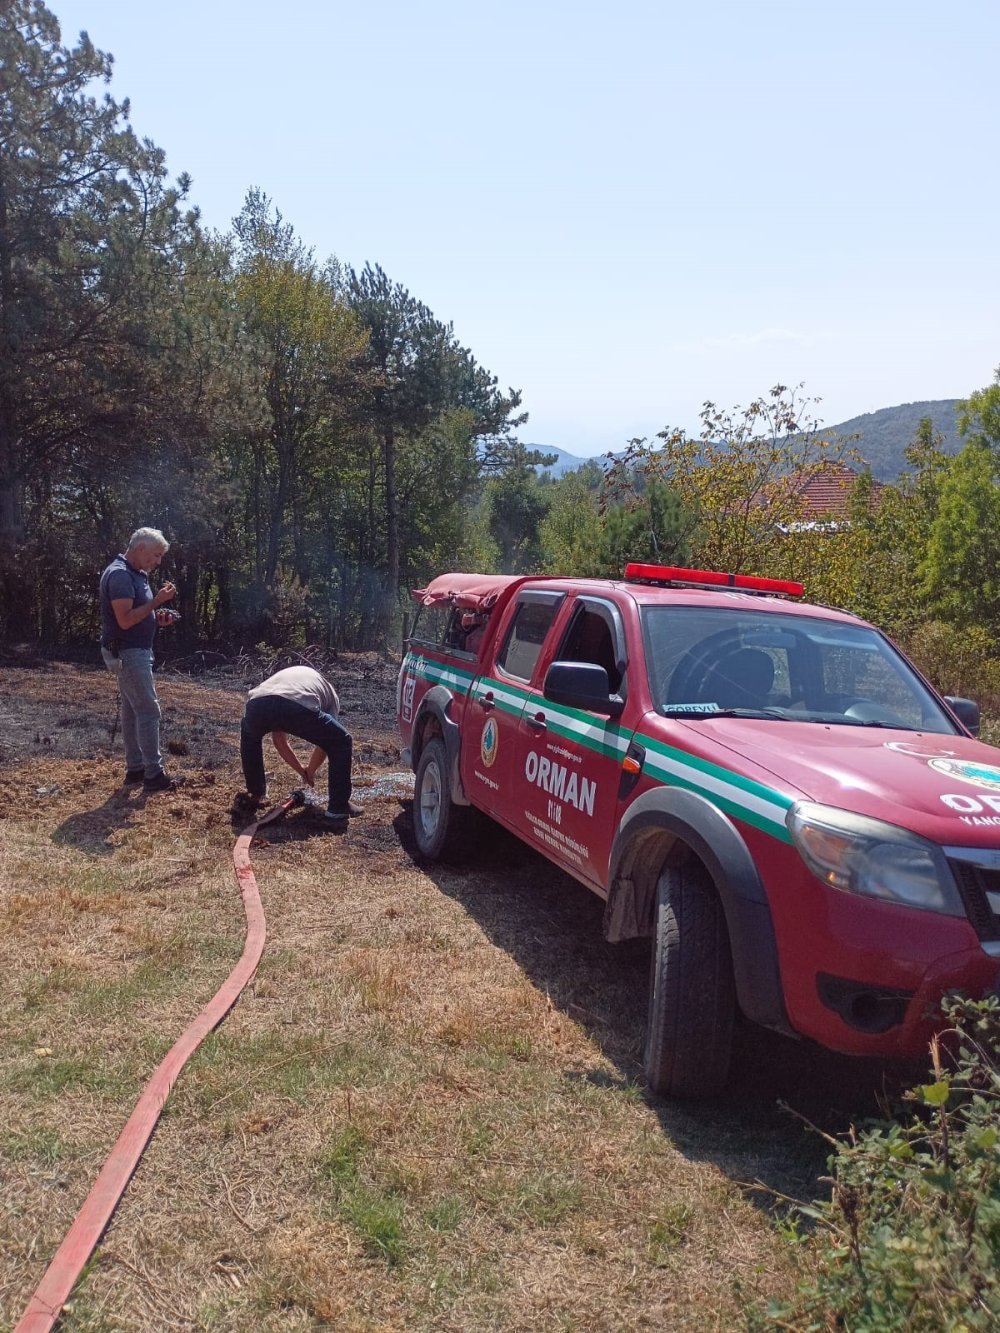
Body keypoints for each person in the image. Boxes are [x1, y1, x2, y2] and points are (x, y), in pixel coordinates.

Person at [99, 527, 181, 792]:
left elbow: (137, 614)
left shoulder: (137, 574)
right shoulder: (120, 575)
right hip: (128, 652)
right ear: (140, 549)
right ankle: (153, 775)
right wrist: (157, 601)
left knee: (132, 711)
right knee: (147, 710)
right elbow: (124, 620)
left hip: (135, 651)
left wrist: (158, 617)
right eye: (156, 555)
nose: (158, 561)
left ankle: (135, 769)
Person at [238, 665, 361, 829]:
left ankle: (255, 794)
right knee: (341, 741)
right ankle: (338, 808)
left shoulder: (294, 678)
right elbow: (327, 743)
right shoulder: (331, 696)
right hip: (293, 705)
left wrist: (302, 770)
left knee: (250, 738)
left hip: (256, 704)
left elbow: (279, 741)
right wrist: (310, 771)